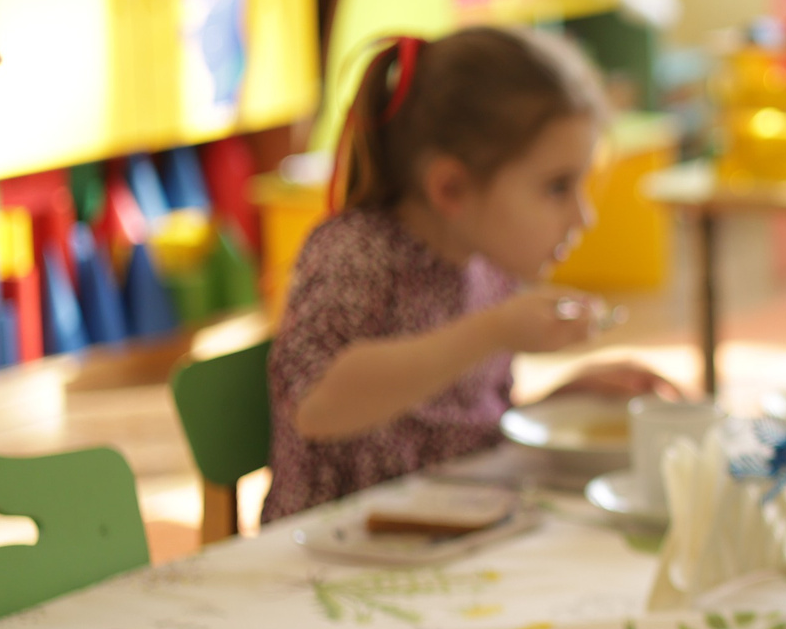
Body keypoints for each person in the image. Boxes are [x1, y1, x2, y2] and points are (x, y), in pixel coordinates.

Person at [261, 27, 673, 522]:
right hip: (329, 555)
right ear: (451, 188)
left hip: (447, 533)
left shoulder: (488, 267)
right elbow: (316, 404)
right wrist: (494, 331)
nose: (583, 217)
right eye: (558, 187)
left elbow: (459, 427)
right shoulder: (357, 253)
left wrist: (566, 397)